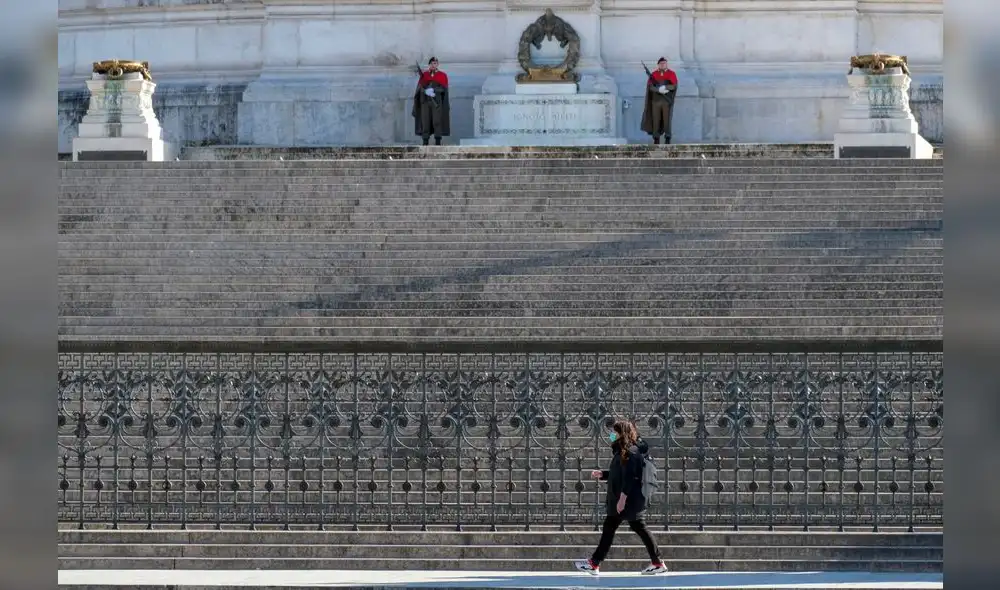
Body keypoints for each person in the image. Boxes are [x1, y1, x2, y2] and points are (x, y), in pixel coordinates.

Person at [574, 419, 667, 576]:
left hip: (628, 499)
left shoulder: (631, 451)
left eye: (615, 431)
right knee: (624, 527)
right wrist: (603, 474)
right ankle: (656, 562)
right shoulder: (624, 450)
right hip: (626, 498)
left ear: (621, 433)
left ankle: (595, 563)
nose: (612, 434)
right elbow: (620, 473)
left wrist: (623, 499)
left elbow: (631, 477)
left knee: (628, 527)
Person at [411, 57, 451, 146]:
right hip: (425, 102)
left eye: (435, 63)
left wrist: (434, 90)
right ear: (429, 64)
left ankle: (438, 141)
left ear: (437, 64)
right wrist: (425, 91)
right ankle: (425, 141)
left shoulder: (442, 75)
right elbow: (419, 88)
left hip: (437, 102)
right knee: (425, 121)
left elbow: (443, 89)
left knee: (437, 121)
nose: (433, 65)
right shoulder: (424, 75)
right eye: (432, 63)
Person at [640, 57, 678, 144]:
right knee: (656, 120)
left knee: (667, 120)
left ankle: (667, 137)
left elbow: (674, 86)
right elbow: (650, 87)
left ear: (666, 64)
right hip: (655, 102)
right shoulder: (654, 74)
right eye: (661, 63)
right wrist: (658, 90)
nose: (663, 65)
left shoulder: (671, 73)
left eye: (664, 63)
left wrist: (665, 87)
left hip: (666, 101)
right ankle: (656, 138)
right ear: (658, 65)